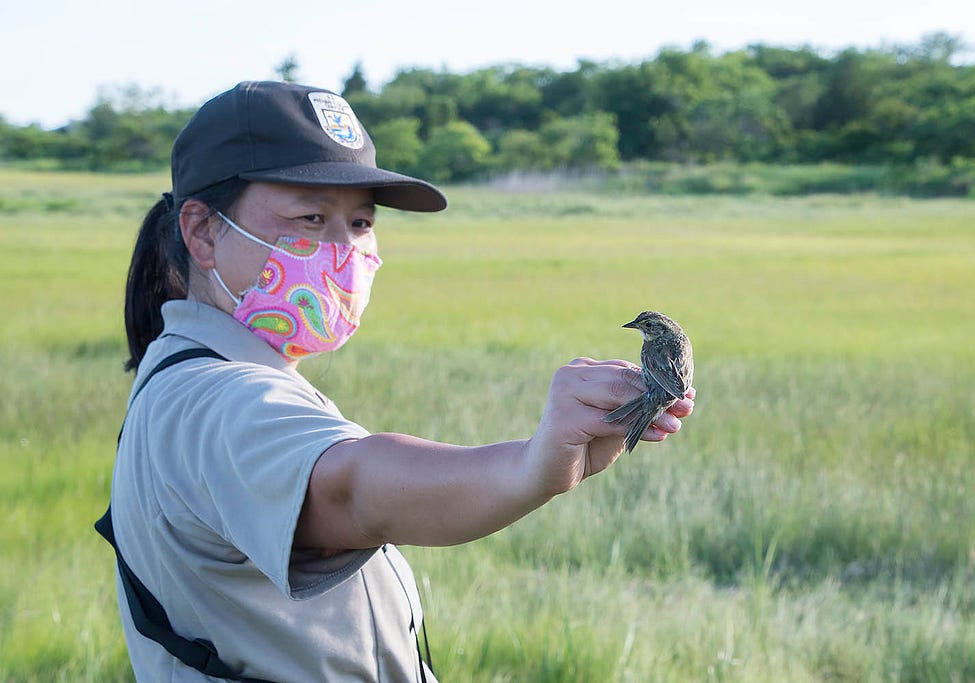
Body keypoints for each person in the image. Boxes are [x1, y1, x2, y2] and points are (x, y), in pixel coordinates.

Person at [100, 80, 695, 682]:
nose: (343, 250)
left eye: (360, 221)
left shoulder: (212, 374)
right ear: (202, 232)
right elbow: (353, 486)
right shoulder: (214, 398)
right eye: (310, 217)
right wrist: (532, 464)